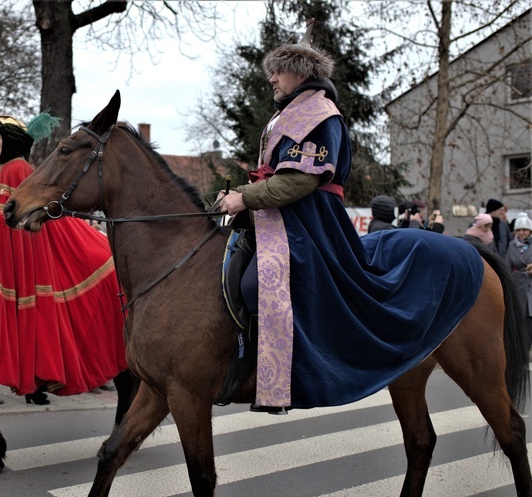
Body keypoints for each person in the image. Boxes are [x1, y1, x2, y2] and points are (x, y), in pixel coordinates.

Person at [217, 20, 484, 412]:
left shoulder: (319, 115)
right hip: (278, 218)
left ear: (301, 73)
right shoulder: (291, 112)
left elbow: (297, 183)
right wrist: (241, 194)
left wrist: (245, 199)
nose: (272, 78)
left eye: (278, 70)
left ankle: (275, 371)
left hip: (308, 224)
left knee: (258, 283)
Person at [0, 114, 127, 399]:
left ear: (8, 143)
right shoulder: (0, 170)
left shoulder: (17, 169)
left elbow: (0, 216)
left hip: (17, 251)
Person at [505, 212, 532, 346]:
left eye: (524, 230)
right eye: (519, 230)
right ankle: (524, 349)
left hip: (531, 285)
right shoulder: (512, 245)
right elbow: (508, 265)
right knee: (522, 318)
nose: (521, 233)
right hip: (519, 285)